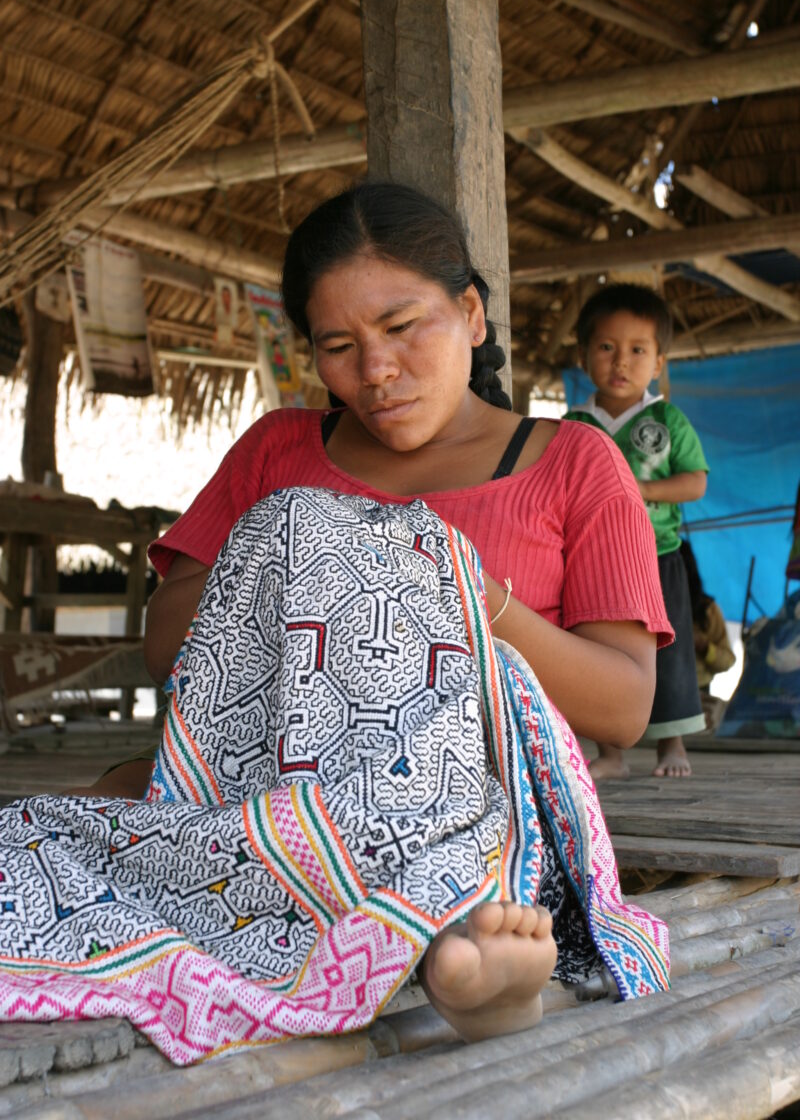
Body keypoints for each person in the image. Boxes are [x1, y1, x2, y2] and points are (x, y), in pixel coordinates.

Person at [87, 184, 672, 1043]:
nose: (376, 371)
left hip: (480, 792)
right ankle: (450, 948)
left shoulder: (576, 464)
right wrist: (317, 552)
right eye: (338, 345)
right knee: (98, 816)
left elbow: (624, 706)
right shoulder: (276, 454)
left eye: (403, 327)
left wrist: (477, 602)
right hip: (275, 788)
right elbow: (164, 647)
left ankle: (468, 950)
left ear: (471, 314)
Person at [565, 283, 709, 779]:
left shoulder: (668, 418)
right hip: (594, 562)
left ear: (659, 362)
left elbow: (695, 483)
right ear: (584, 356)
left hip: (659, 554)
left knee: (667, 653)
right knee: (604, 658)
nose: (620, 361)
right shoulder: (574, 424)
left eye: (637, 350)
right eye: (606, 347)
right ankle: (611, 755)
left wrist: (639, 491)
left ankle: (672, 744)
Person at [679, 538, 736, 725]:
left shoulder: (707, 610)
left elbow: (727, 660)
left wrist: (704, 647)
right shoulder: (647, 606)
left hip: (698, 693)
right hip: (654, 694)